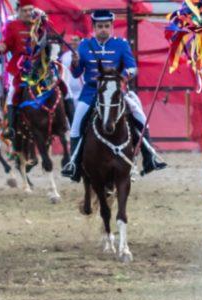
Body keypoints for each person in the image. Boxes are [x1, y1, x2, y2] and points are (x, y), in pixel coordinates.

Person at [62, 10, 166, 181]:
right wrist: (75, 63)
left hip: (117, 92)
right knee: (76, 125)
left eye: (106, 26)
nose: (103, 29)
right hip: (90, 93)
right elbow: (76, 73)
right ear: (94, 27)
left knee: (139, 115)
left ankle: (150, 157)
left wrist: (121, 79)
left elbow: (132, 68)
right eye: (100, 26)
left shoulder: (121, 45)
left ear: (111, 27)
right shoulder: (84, 45)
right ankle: (74, 164)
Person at [0, 0, 38, 132]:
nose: (28, 13)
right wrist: (3, 47)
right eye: (25, 11)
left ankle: (64, 122)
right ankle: (12, 128)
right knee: (11, 93)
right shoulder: (12, 26)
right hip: (18, 67)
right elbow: (6, 44)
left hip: (38, 67)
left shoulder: (39, 25)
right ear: (19, 11)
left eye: (30, 10)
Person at [59, 35, 83, 126]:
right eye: (72, 40)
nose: (73, 42)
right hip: (69, 89)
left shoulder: (82, 54)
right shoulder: (64, 56)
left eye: (76, 40)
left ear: (80, 41)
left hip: (81, 89)